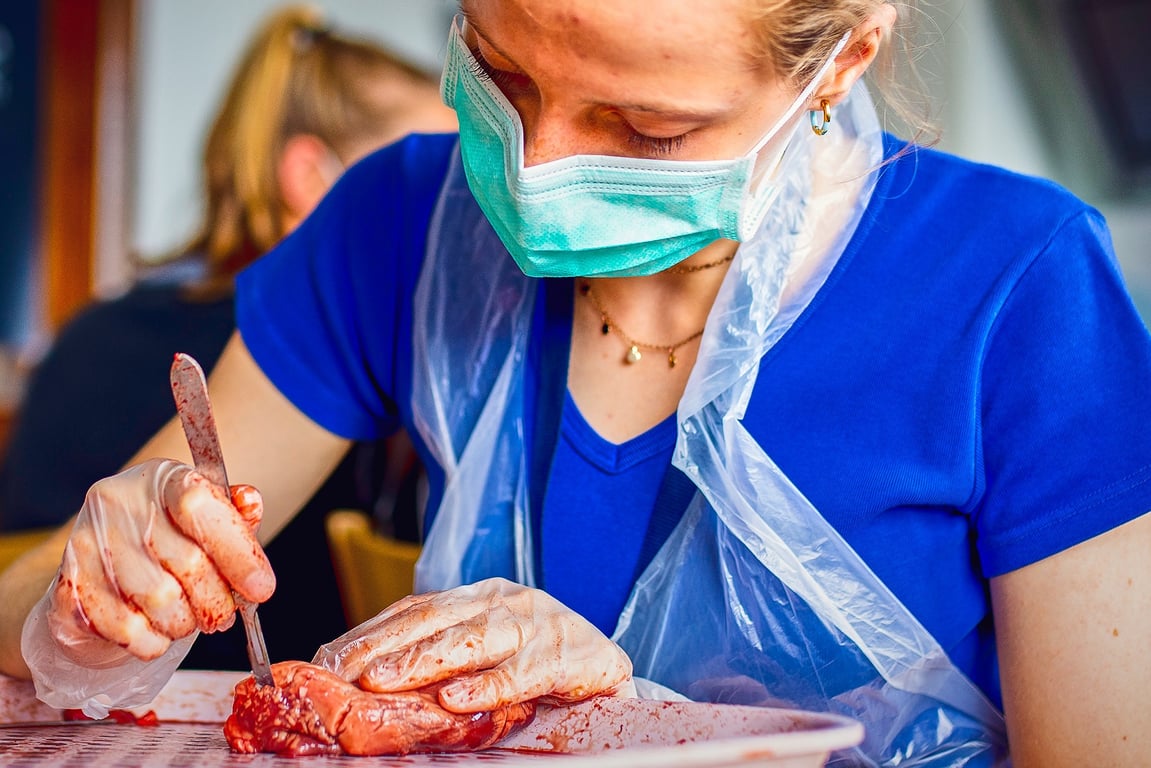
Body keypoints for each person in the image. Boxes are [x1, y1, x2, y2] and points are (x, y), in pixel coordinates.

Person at [1, 1, 1148, 764]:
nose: (534, 168)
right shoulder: (397, 223)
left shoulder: (1013, 282)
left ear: (839, 61)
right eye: (498, 74)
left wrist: (640, 726)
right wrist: (92, 608)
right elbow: (23, 617)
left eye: (645, 129)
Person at [0, 6, 454, 668]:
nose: (462, 213)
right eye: (437, 190)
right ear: (314, 179)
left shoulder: (93, 324)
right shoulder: (339, 351)